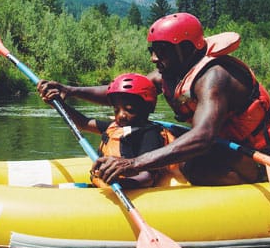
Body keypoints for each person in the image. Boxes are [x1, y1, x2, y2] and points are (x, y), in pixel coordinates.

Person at [38, 12, 270, 186]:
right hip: (223, 148)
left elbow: (202, 137)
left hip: (259, 155)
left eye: (162, 51)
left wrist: (134, 163)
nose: (154, 58)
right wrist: (70, 90)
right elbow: (125, 93)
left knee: (193, 166)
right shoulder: (171, 72)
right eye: (153, 51)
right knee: (172, 149)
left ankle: (256, 182)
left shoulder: (214, 78)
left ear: (188, 49)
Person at [44, 72, 179, 188]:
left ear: (148, 108)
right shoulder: (116, 127)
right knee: (41, 188)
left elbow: (147, 176)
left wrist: (122, 184)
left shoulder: (149, 134)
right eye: (116, 110)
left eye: (129, 110)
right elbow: (84, 123)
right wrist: (59, 105)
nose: (121, 115)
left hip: (124, 189)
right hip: (101, 188)